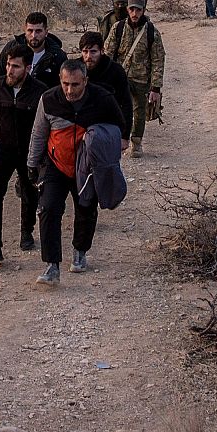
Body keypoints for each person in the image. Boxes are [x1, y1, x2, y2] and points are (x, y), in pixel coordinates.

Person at [26, 60, 126, 286]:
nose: (70, 90)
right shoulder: (49, 100)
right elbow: (39, 133)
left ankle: (80, 251)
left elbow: (118, 129)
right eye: (65, 84)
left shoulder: (102, 99)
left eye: (75, 85)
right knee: (48, 209)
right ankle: (52, 266)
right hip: (56, 164)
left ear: (86, 81)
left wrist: (104, 154)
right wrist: (32, 165)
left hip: (88, 167)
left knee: (85, 208)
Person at [0, 43, 48, 263]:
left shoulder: (40, 91)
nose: (10, 70)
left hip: (30, 152)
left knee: (29, 192)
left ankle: (27, 232)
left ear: (28, 68)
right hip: (2, 149)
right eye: (8, 65)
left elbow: (45, 125)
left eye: (15, 66)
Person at [104, 0, 165, 157]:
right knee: (117, 109)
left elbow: (158, 59)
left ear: (143, 10)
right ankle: (118, 140)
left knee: (139, 112)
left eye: (138, 9)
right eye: (132, 9)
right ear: (127, 10)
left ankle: (136, 144)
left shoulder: (152, 32)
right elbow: (107, 54)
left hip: (141, 79)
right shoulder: (118, 28)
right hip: (119, 78)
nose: (134, 13)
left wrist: (156, 87)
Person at [0, 12, 67, 90]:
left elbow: (62, 87)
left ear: (46, 32)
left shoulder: (57, 55)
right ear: (25, 31)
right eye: (30, 31)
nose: (34, 35)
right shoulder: (12, 47)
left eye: (38, 31)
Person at [77, 31, 132, 138]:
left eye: (93, 52)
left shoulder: (116, 71)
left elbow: (126, 105)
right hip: (80, 128)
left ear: (102, 51)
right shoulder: (75, 69)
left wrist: (125, 136)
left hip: (107, 126)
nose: (89, 56)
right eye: (85, 51)